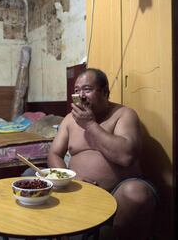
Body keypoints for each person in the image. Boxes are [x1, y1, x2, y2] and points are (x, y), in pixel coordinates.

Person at [48, 68, 157, 240]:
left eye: (87, 89)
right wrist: (69, 180)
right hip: (75, 186)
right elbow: (54, 153)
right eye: (77, 91)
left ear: (105, 92)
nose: (81, 96)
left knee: (135, 193)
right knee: (31, 176)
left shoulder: (123, 114)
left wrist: (90, 125)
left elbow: (126, 156)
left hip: (116, 189)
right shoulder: (69, 119)